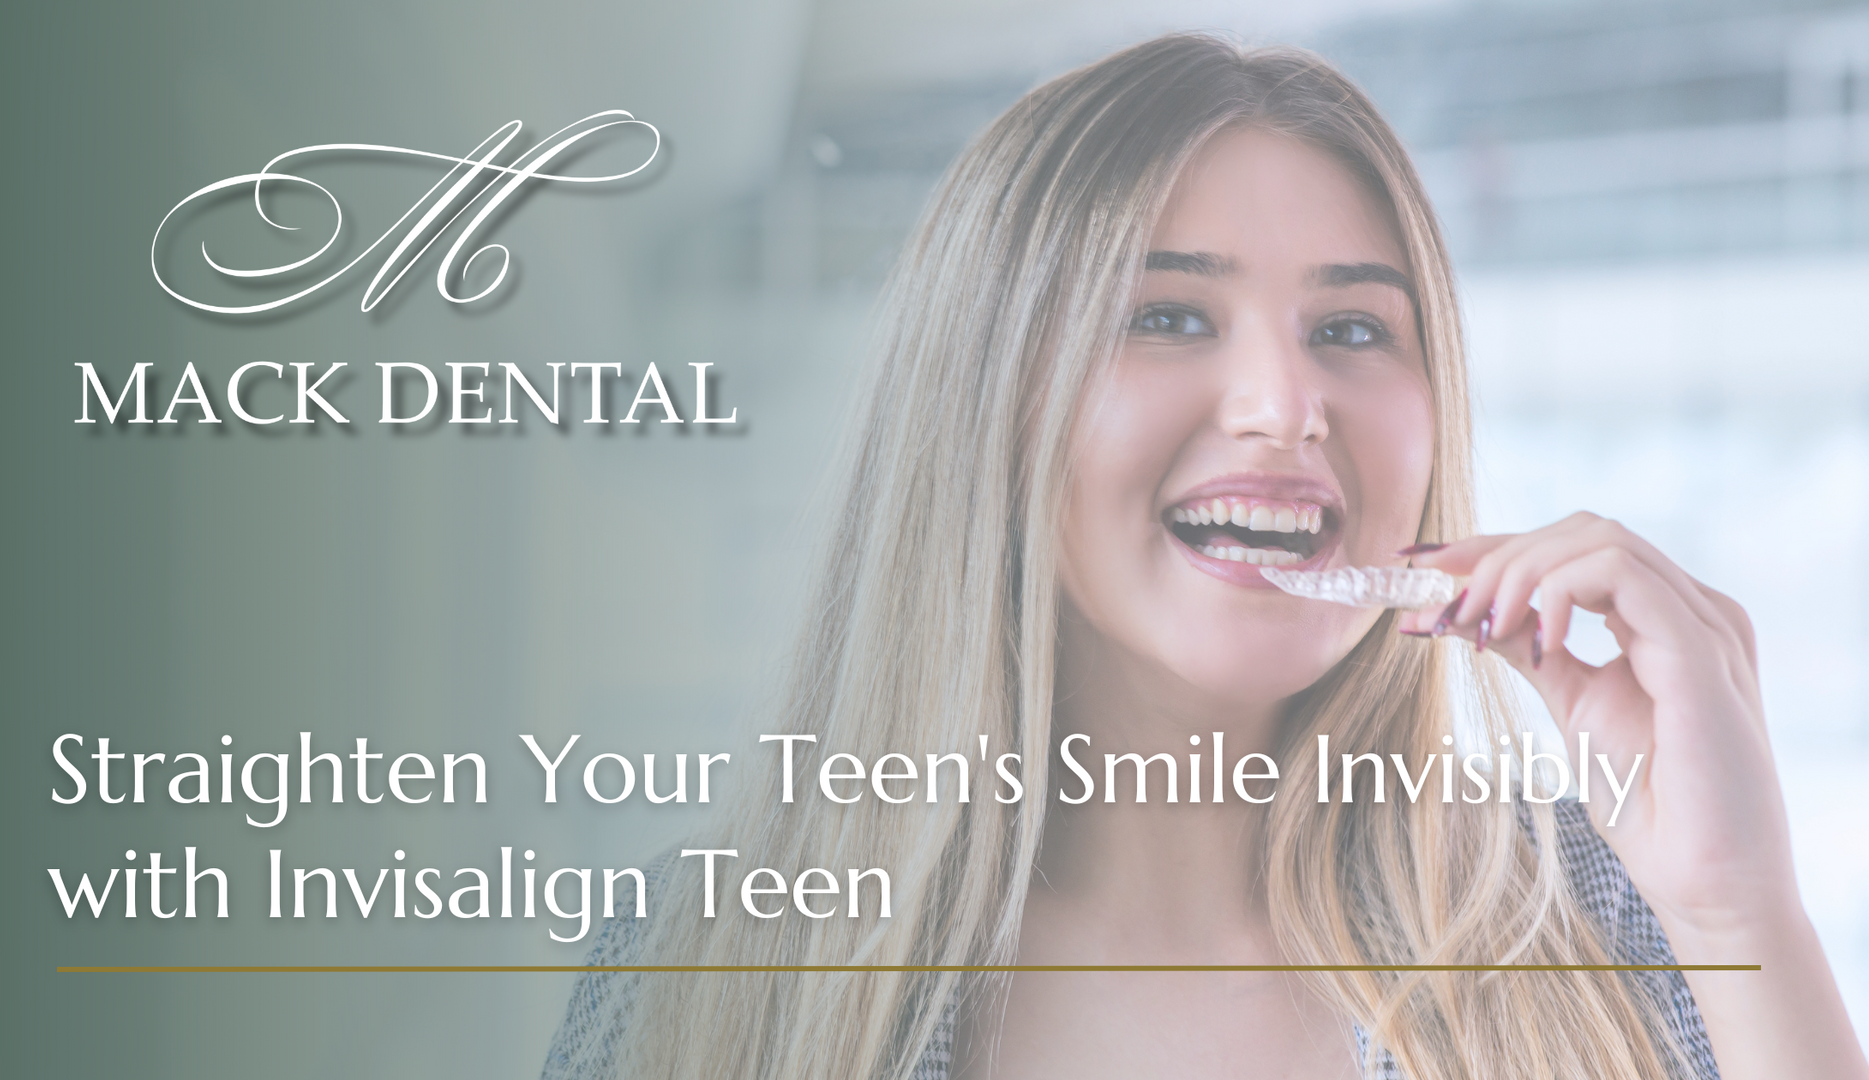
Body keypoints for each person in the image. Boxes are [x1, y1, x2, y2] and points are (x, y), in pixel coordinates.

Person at [543, 33, 1868, 1080]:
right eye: (1168, 314)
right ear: (982, 407)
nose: (1284, 405)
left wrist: (1743, 919)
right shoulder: (696, 967)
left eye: (1351, 331)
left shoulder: (1607, 923)